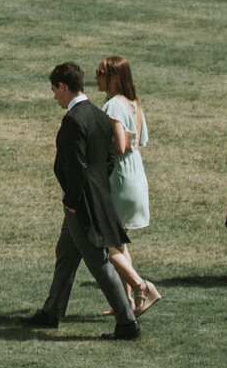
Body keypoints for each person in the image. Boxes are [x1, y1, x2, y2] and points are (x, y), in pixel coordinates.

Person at [21, 62, 140, 340]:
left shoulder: (74, 120)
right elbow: (109, 160)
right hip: (97, 198)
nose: (55, 97)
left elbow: (73, 167)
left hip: (80, 204)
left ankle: (127, 322)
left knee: (98, 261)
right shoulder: (99, 115)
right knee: (66, 255)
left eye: (55, 91)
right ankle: (52, 311)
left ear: (64, 87)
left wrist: (73, 202)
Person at [96, 56, 159, 313]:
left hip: (119, 179)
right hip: (135, 175)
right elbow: (139, 142)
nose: (97, 77)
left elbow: (119, 146)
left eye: (101, 73)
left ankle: (142, 287)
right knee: (119, 242)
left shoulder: (113, 106)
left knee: (103, 243)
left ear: (114, 78)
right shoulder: (134, 105)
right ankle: (125, 301)